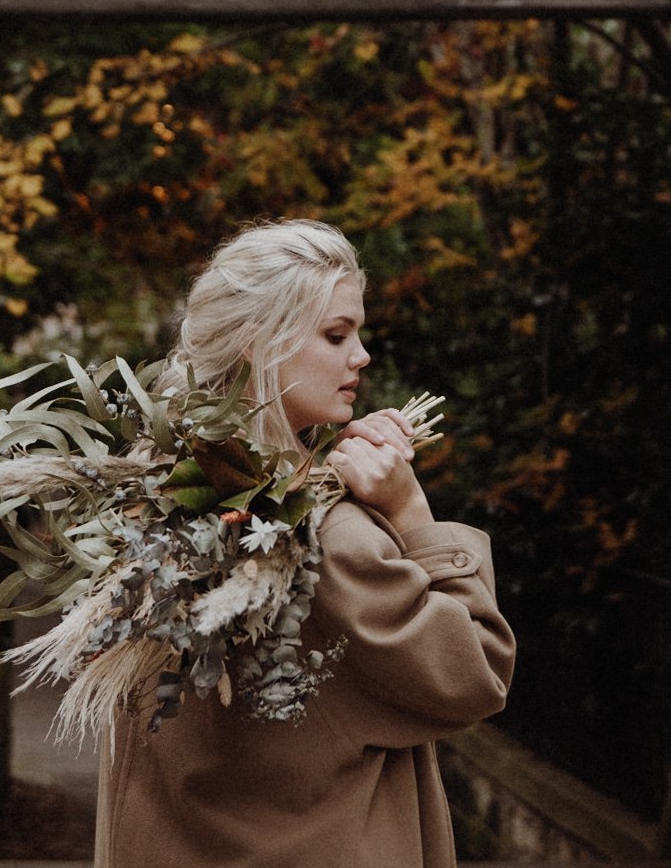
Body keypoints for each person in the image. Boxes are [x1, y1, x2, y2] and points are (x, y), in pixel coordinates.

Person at [94, 219, 516, 868]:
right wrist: (409, 507)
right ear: (258, 347)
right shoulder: (328, 544)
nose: (362, 356)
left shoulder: (151, 513)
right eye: (337, 335)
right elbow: (478, 672)